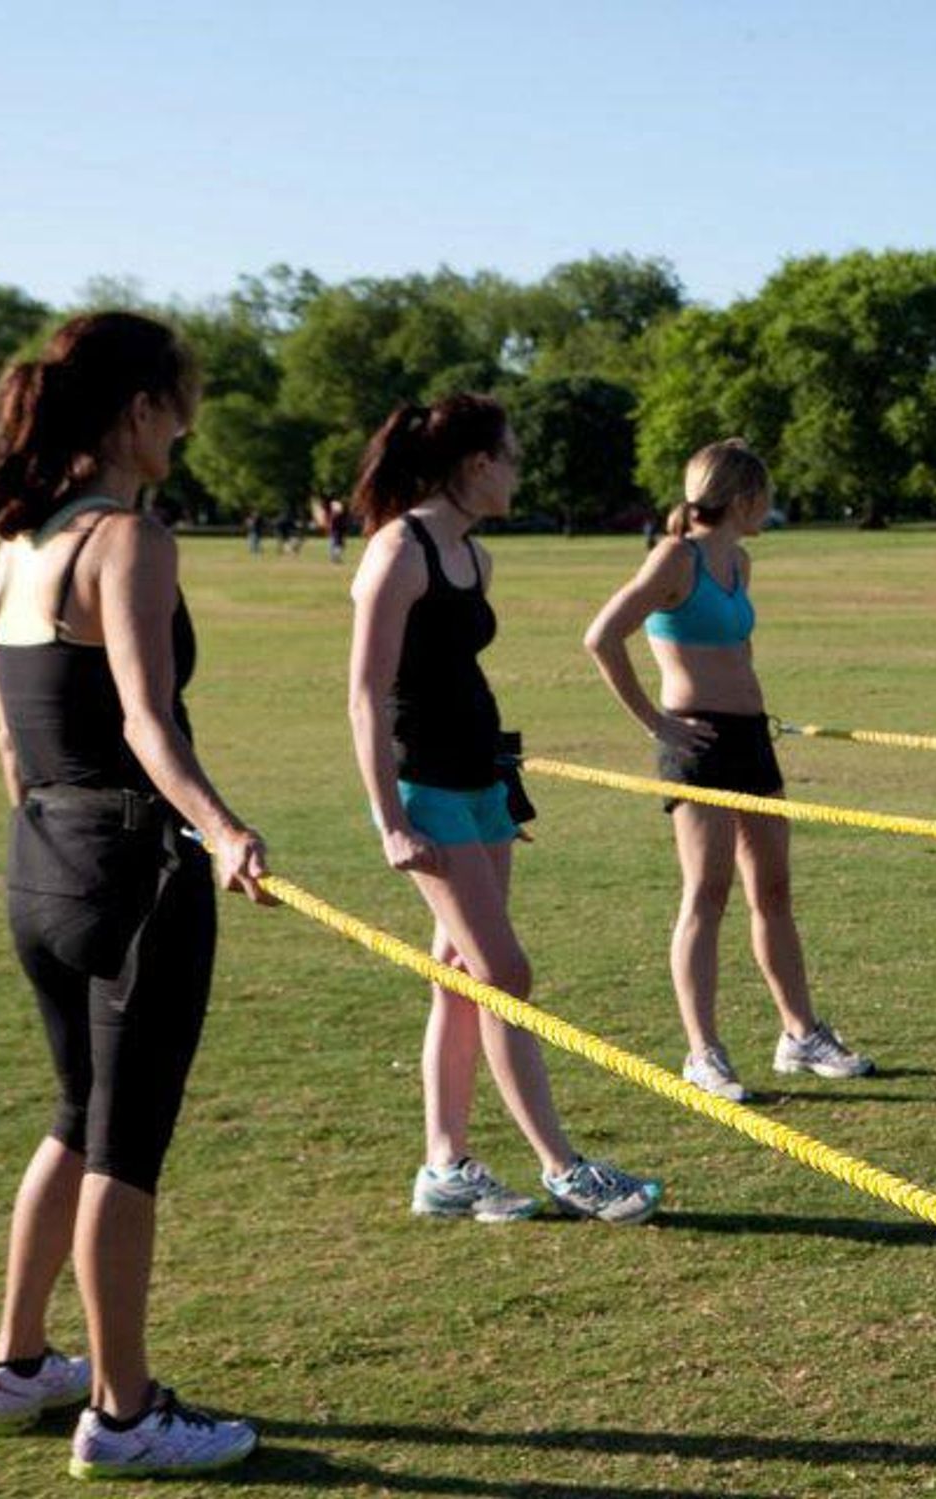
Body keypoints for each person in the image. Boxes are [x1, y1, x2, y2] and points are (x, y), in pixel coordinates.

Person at [0, 311, 271, 1477]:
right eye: (180, 404)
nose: (186, 429)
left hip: (39, 860)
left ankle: (18, 1362)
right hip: (131, 871)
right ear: (139, 410)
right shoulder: (126, 540)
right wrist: (223, 826)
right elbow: (146, 721)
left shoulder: (16, 545)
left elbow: (11, 735)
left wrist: (67, 840)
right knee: (122, 1148)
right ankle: (126, 1412)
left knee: (73, 1113)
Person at [348, 394, 661, 1225]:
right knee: (504, 974)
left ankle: (444, 1166)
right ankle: (564, 1166)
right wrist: (390, 820)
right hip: (429, 793)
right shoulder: (399, 551)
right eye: (512, 457)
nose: (519, 472)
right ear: (476, 465)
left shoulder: (475, 558)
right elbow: (363, 694)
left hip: (484, 782)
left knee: (460, 979)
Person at [584, 438, 873, 1102]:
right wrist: (657, 724)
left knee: (772, 890)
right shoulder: (674, 558)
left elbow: (737, 651)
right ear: (744, 498)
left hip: (750, 739)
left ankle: (800, 1033)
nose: (769, 509)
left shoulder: (739, 563)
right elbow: (602, 636)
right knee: (705, 894)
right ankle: (703, 1052)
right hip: (697, 746)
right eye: (765, 497)